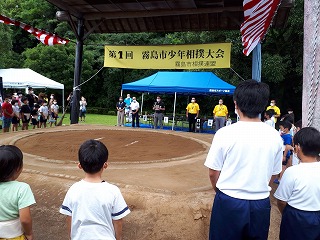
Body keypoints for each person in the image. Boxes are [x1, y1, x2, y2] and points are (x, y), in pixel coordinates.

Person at [204, 80, 283, 240]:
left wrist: (221, 191)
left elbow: (213, 172)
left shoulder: (224, 133)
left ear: (236, 104)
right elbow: (275, 173)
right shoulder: (275, 136)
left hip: (228, 200)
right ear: (264, 105)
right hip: (260, 203)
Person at [59, 139, 130, 240]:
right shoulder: (113, 191)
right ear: (105, 165)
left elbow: (69, 218)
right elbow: (118, 221)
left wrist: (72, 237)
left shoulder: (73, 189)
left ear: (79, 165)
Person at [274, 127, 320, 240]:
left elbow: (281, 201)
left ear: (298, 148)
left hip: (295, 216)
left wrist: (287, 213)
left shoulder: (292, 171)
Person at [0, 145, 36, 240]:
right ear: (18, 168)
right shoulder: (22, 188)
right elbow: (25, 219)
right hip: (14, 236)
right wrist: (29, 233)